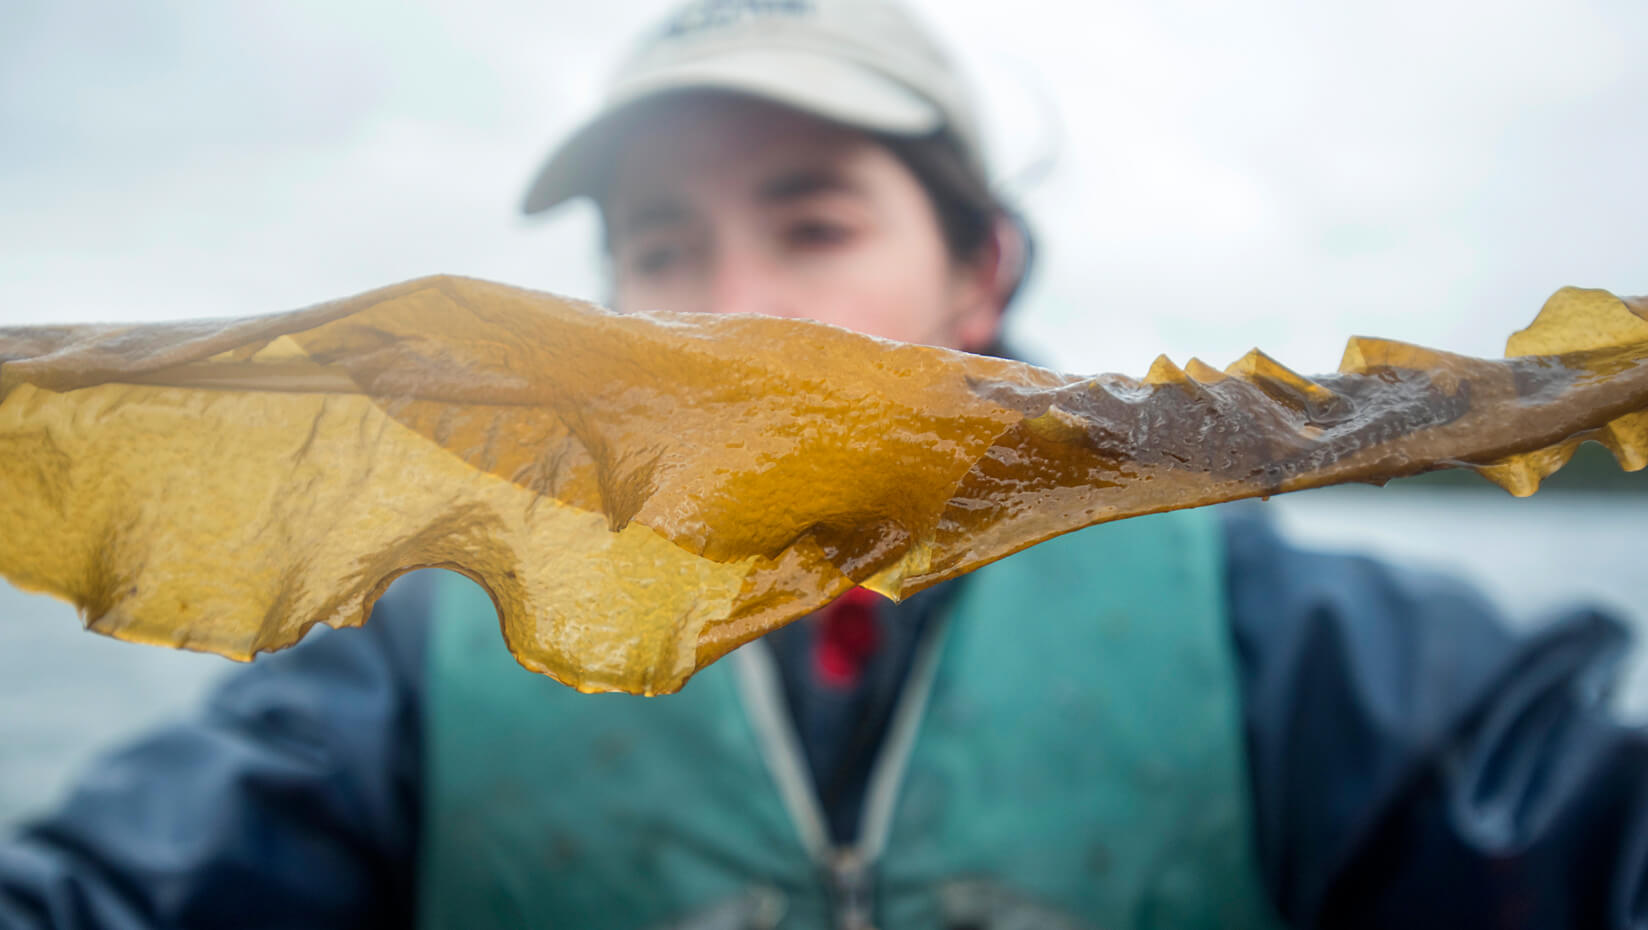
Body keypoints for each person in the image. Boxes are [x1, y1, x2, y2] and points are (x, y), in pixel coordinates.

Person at [3, 1, 1646, 927]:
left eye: (815, 216)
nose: (726, 298)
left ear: (981, 270)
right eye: (661, 240)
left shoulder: (1293, 647)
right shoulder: (425, 659)